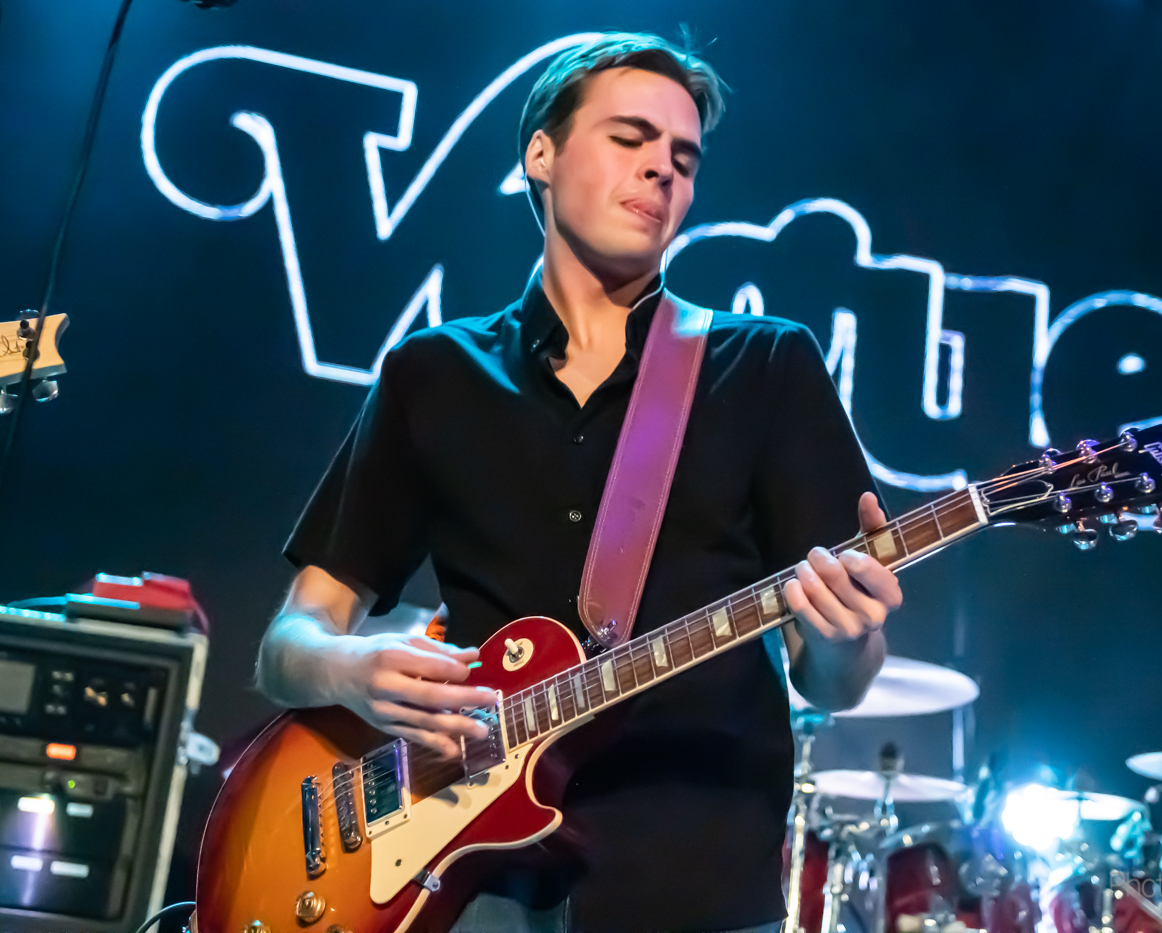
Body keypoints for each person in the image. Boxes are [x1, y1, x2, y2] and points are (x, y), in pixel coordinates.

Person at [257, 32, 903, 933]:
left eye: (684, 158)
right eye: (630, 138)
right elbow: (285, 645)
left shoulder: (767, 368)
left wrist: (848, 638)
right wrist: (349, 667)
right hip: (468, 887)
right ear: (541, 154)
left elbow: (835, 681)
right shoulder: (432, 375)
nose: (662, 169)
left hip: (695, 888)